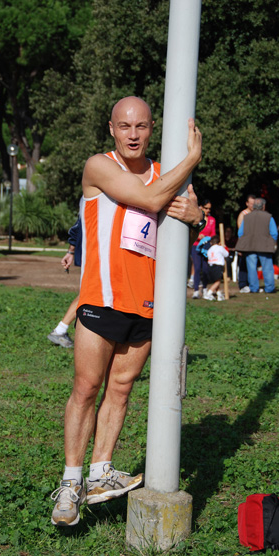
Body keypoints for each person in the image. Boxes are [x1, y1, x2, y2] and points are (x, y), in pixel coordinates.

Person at [50, 96, 203, 527]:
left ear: (152, 128)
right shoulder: (99, 167)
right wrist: (192, 158)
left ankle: (100, 473)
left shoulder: (162, 172)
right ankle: (70, 482)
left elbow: (191, 213)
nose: (133, 135)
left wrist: (198, 215)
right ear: (112, 129)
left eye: (141, 126)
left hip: (149, 304)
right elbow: (151, 199)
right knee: (86, 388)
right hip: (100, 298)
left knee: (121, 390)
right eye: (124, 126)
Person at [47, 217, 82, 348]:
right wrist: (71, 251)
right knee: (90, 293)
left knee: (91, 293)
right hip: (98, 252)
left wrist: (71, 251)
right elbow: (80, 223)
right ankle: (60, 330)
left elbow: (78, 224)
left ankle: (60, 330)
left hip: (97, 251)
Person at [235, 197, 278, 293]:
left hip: (250, 246)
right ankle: (269, 288)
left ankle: (254, 288)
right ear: (263, 206)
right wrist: (272, 242)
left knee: (251, 269)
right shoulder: (269, 217)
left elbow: (240, 233)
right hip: (265, 246)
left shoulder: (246, 217)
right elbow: (274, 233)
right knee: (267, 268)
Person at [191, 199, 216, 299]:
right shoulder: (196, 218)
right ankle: (196, 290)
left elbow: (213, 234)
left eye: (209, 209)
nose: (207, 210)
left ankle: (205, 288)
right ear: (201, 207)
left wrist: (207, 239)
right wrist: (198, 236)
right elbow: (192, 232)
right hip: (196, 246)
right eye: (206, 208)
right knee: (197, 268)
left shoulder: (212, 220)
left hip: (206, 247)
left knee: (205, 268)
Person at [236, 194, 256, 293]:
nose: (252, 205)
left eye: (254, 203)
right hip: (245, 242)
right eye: (251, 203)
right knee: (243, 263)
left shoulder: (257, 214)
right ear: (247, 203)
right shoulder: (243, 214)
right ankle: (243, 283)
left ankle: (251, 282)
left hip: (254, 243)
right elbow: (240, 229)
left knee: (252, 263)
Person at [204, 235, 229, 301]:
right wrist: (225, 247)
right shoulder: (220, 248)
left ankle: (219, 295)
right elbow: (226, 254)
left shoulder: (209, 250)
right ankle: (208, 293)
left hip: (210, 266)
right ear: (219, 242)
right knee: (218, 282)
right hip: (217, 266)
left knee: (216, 281)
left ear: (211, 243)